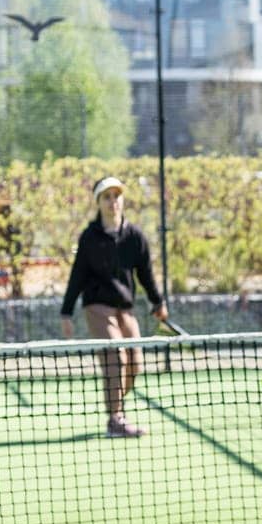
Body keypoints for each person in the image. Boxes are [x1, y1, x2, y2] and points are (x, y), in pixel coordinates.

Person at [60, 176, 169, 438]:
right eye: (106, 197)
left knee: (135, 362)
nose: (113, 202)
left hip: (125, 308)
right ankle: (115, 419)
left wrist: (157, 302)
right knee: (114, 356)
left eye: (116, 196)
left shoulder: (135, 237)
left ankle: (117, 407)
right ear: (98, 202)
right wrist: (66, 312)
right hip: (97, 306)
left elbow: (146, 274)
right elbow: (77, 276)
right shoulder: (89, 237)